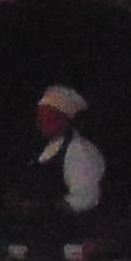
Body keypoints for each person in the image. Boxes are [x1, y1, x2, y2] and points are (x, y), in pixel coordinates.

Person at [27, 84, 106, 218]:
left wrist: (45, 209)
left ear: (64, 120)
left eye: (48, 118)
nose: (41, 122)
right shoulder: (44, 149)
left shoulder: (79, 150)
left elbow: (86, 197)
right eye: (40, 117)